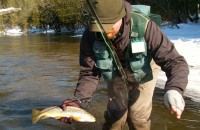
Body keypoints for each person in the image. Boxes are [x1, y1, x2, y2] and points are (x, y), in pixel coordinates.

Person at [59, 0, 189, 130]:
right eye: (99, 27)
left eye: (108, 25)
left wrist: (174, 90)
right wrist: (77, 102)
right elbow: (89, 73)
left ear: (121, 17)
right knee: (115, 116)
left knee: (137, 116)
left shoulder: (146, 27)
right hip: (115, 69)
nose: (103, 32)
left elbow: (175, 61)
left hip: (145, 67)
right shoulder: (90, 35)